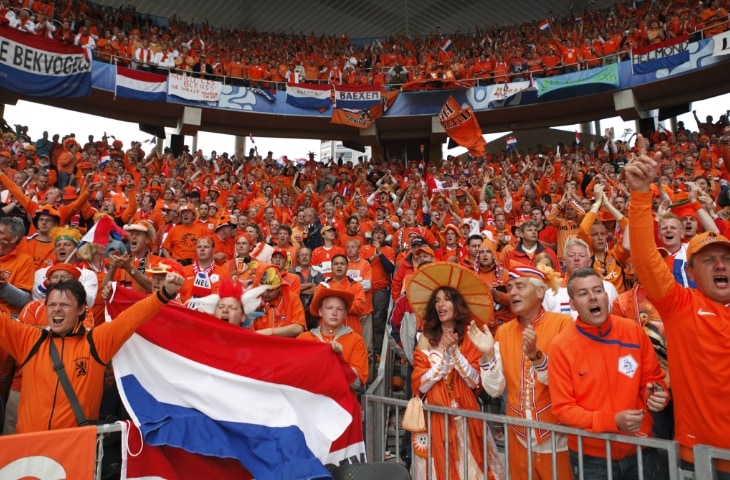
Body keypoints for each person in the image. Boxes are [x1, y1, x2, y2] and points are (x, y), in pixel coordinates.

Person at [626, 135, 730, 476]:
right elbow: (643, 257)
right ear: (690, 271)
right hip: (703, 459)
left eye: (727, 259)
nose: (721, 266)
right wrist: (641, 195)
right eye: (709, 260)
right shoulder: (681, 305)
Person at [0, 272, 184, 433]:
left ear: (81, 309)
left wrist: (164, 293)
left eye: (64, 305)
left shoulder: (96, 342)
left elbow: (132, 318)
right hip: (31, 448)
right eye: (51, 304)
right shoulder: (28, 340)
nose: (56, 309)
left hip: (76, 448)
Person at [548, 268, 669, 480]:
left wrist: (658, 395)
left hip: (642, 448)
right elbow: (563, 409)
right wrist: (612, 422)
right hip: (591, 459)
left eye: (598, 290)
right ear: (573, 304)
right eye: (583, 293)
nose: (593, 297)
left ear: (606, 296)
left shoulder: (633, 331)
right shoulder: (561, 346)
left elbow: (654, 379)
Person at [468, 261, 572, 480]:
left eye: (520, 286)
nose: (513, 292)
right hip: (518, 438)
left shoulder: (564, 324)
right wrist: (487, 355)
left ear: (540, 291)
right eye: (510, 287)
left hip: (556, 436)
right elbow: (494, 389)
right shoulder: (504, 331)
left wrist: (536, 356)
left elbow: (563, 380)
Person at [407, 262, 504, 480]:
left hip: (465, 420)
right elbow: (419, 385)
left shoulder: (471, 336)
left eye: (446, 299)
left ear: (457, 304)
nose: (441, 304)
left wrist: (456, 355)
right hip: (434, 420)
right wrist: (442, 365)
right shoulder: (425, 337)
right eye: (437, 300)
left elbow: (475, 383)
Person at [298, 285, 368, 394]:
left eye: (339, 309)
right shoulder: (304, 339)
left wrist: (339, 359)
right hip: (310, 404)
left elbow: (356, 382)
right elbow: (296, 374)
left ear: (345, 314)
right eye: (329, 308)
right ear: (320, 312)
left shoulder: (356, 340)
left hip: (340, 405)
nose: (334, 313)